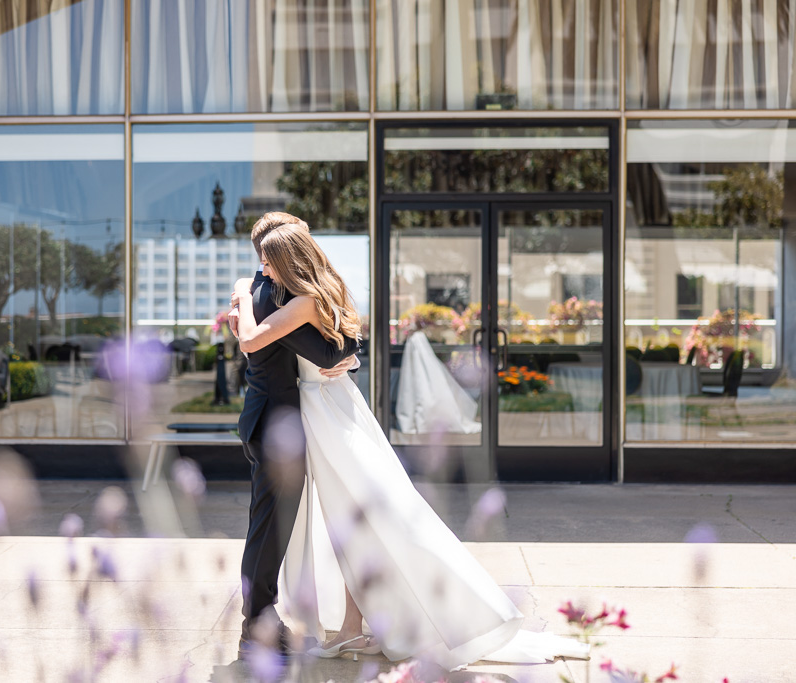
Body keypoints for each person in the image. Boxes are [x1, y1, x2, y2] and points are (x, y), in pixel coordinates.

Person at [231, 224, 590, 669]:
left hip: (322, 414)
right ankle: (348, 624)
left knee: (367, 514)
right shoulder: (306, 291)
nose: (259, 268)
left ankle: (367, 621)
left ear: (288, 260)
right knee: (349, 518)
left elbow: (280, 345)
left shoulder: (289, 298)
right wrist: (347, 352)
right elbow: (331, 347)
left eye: (266, 259)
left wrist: (247, 299)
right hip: (324, 409)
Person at [232, 213, 359, 662]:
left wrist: (348, 357)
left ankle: (260, 622)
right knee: (268, 532)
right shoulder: (269, 297)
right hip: (274, 426)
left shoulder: (265, 291)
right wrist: (348, 354)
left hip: (270, 421)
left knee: (268, 528)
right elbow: (327, 351)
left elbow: (324, 349)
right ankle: (257, 629)